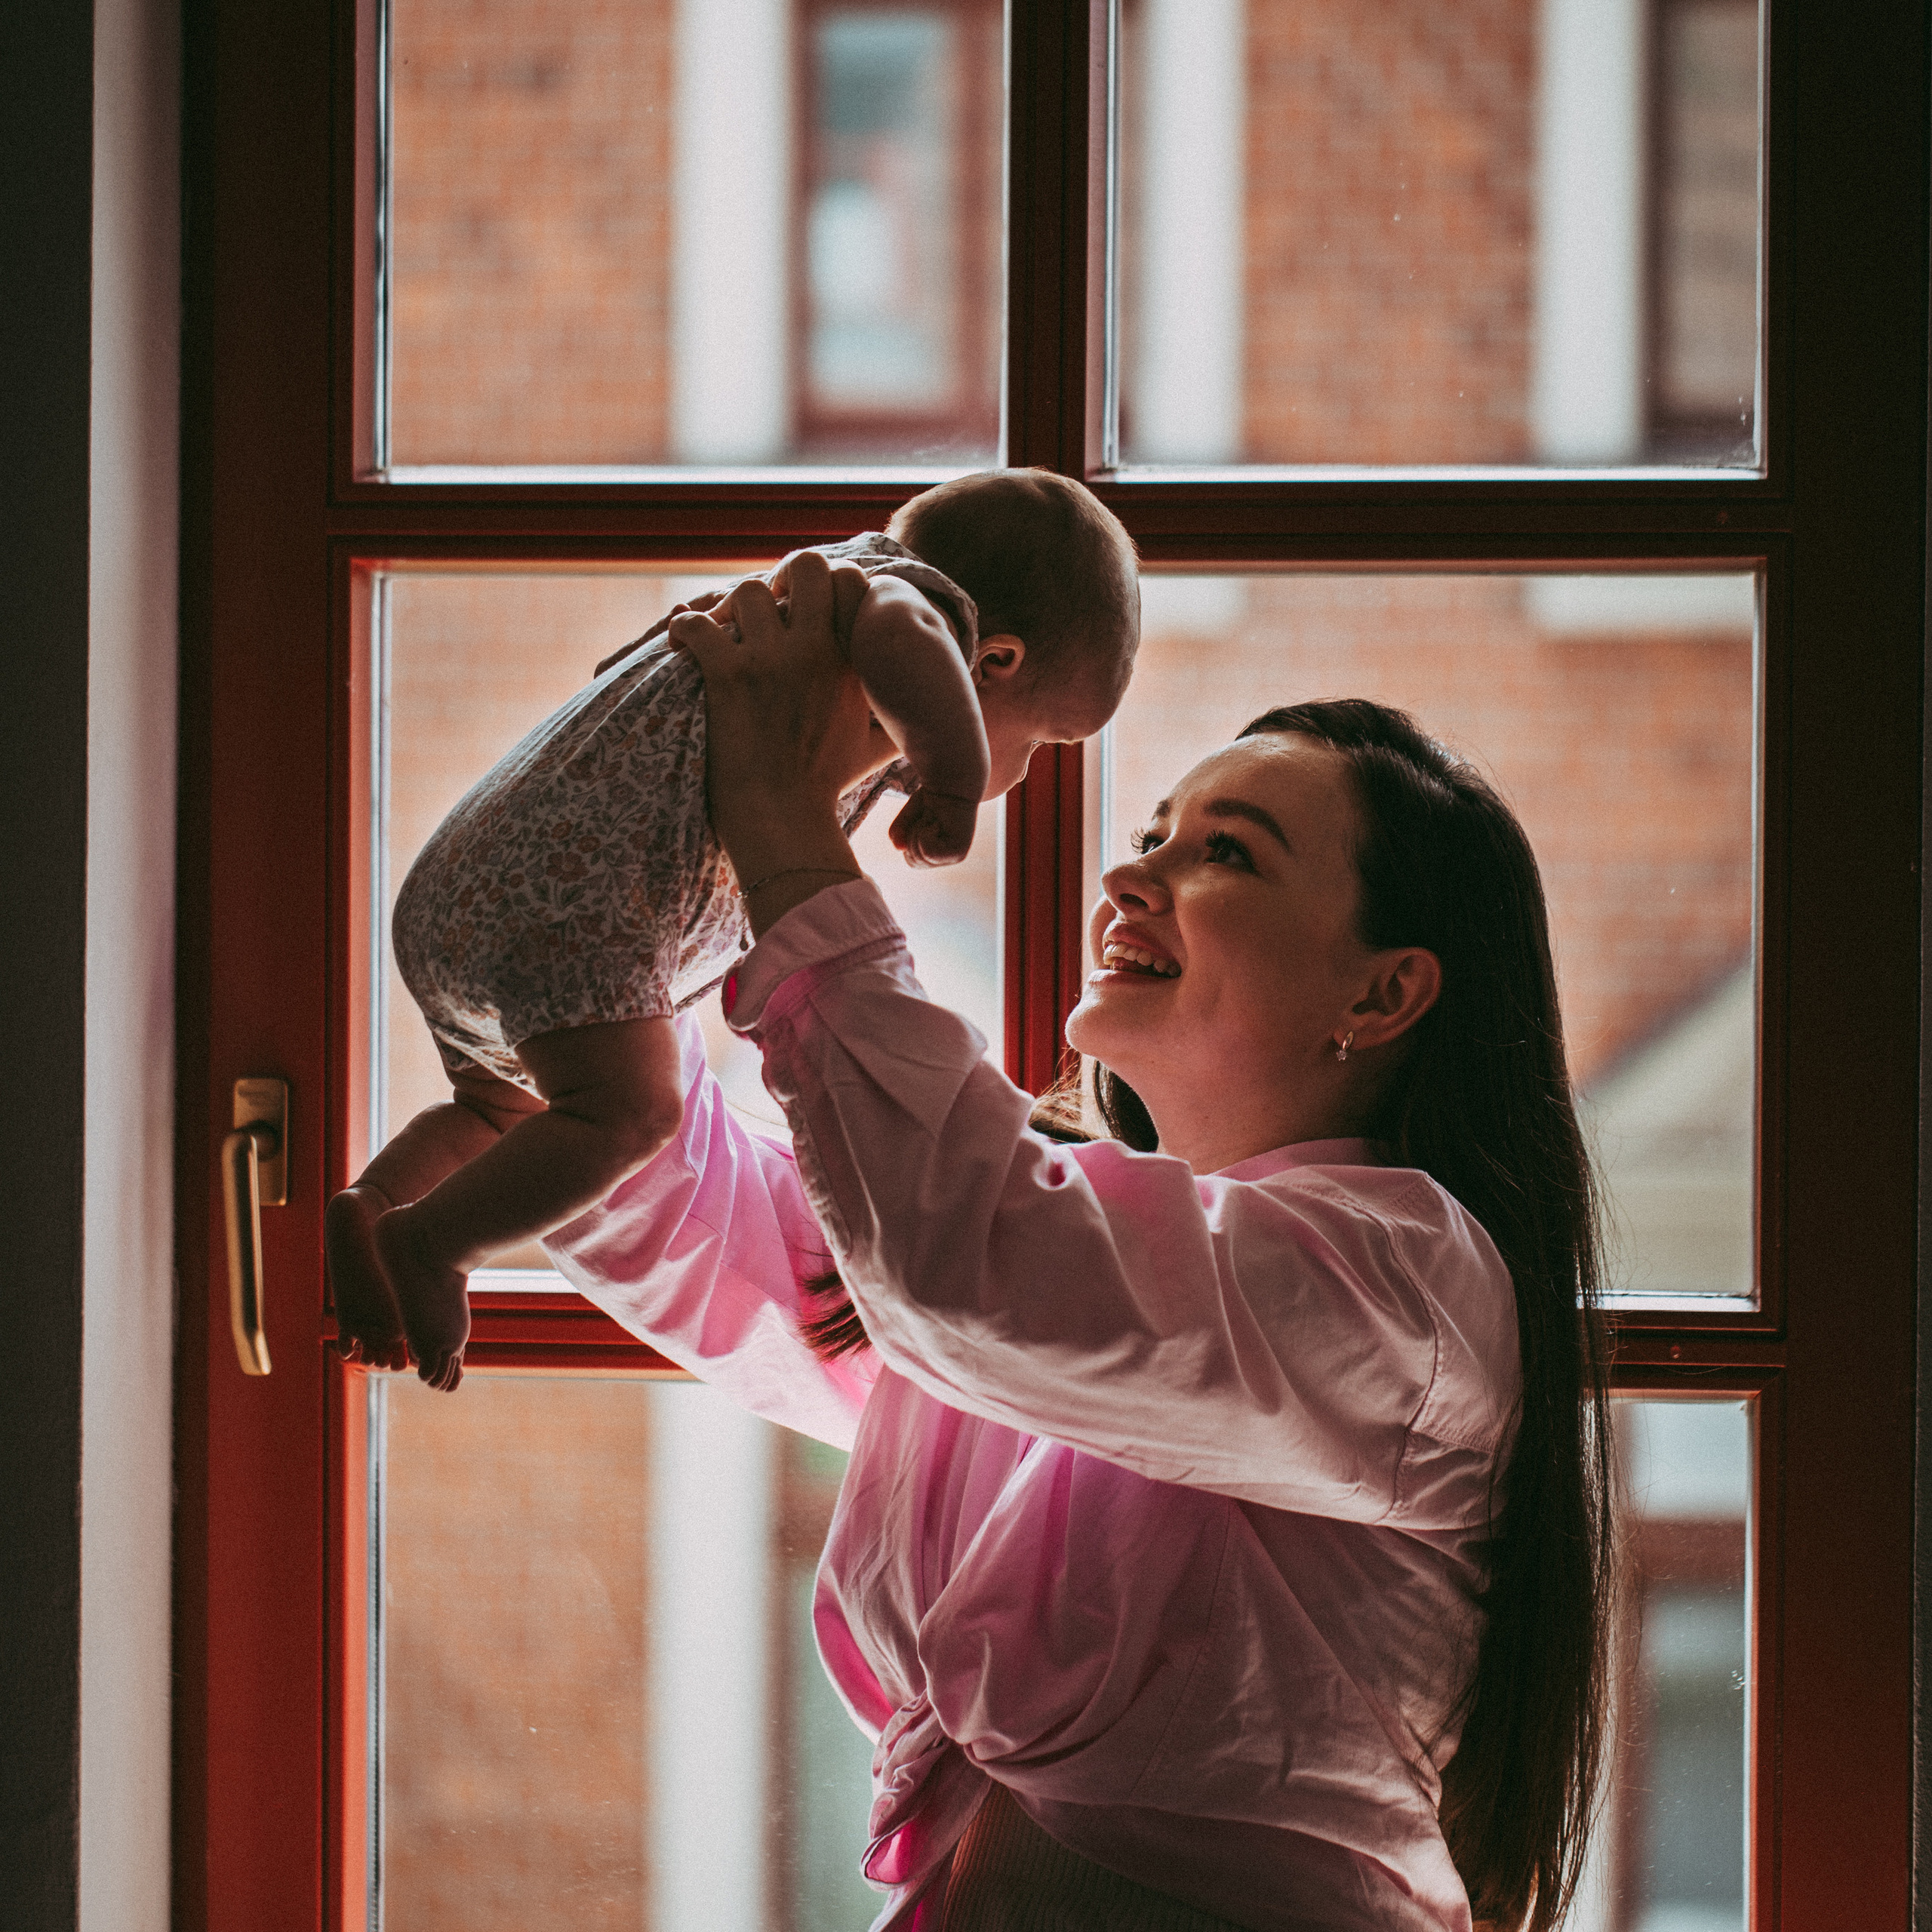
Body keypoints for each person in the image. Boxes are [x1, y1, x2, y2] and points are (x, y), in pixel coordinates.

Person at [545, 553, 1614, 1932]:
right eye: (1158, 833)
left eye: (1225, 852)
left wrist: (786, 831)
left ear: (1386, 990)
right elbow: (718, 1226)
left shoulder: (1407, 1290)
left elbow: (962, 1264)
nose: (1130, 871)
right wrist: (594, 942)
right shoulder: (1075, 1250)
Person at [326, 469, 1139, 1390]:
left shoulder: (785, 605)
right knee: (628, 1112)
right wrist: (951, 776)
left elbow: (637, 656)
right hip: (570, 903)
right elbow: (904, 639)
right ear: (991, 661)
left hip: (465, 884)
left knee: (502, 1111)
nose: (1026, 772)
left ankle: (377, 1198)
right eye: (1042, 741)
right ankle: (431, 1240)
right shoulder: (904, 608)